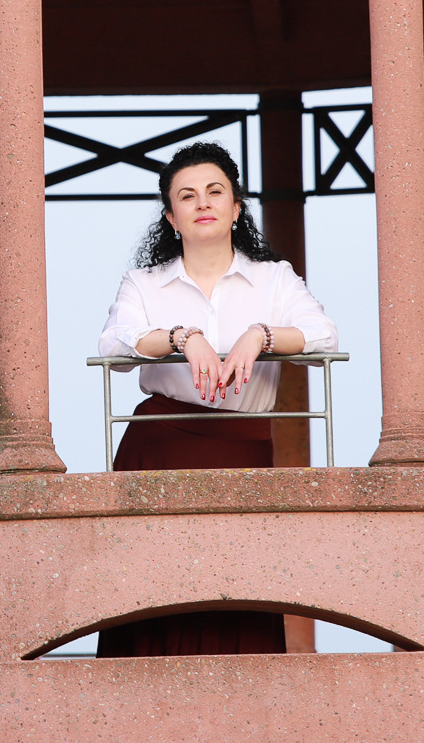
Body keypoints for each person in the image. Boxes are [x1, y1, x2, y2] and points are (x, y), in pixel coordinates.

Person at [93, 141, 339, 656]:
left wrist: (260, 335)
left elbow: (323, 335)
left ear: (236, 208)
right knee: (149, 596)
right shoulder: (144, 282)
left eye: (215, 191)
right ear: (171, 217)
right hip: (157, 451)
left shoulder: (273, 277)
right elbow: (114, 344)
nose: (202, 202)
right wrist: (183, 338)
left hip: (242, 450)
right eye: (187, 195)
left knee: (241, 596)